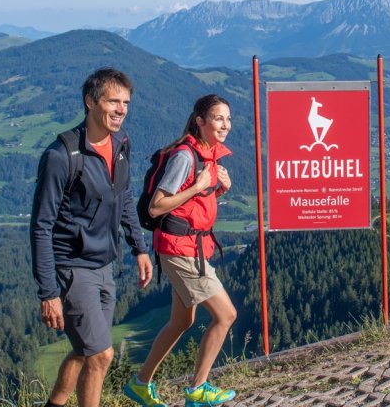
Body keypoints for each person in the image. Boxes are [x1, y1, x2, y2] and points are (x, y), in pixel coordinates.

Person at [30, 67, 153, 407]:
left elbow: (123, 195)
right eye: (113, 101)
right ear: (90, 102)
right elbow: (40, 226)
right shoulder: (61, 156)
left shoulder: (121, 144)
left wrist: (139, 247)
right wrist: (48, 292)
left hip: (104, 265)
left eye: (126, 102)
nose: (121, 109)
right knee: (101, 354)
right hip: (72, 268)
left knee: (85, 352)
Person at [124, 94, 237, 407]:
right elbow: (157, 206)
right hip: (181, 250)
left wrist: (215, 189)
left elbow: (192, 203)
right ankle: (198, 389)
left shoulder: (207, 154)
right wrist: (200, 187)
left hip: (189, 247)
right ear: (200, 121)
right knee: (226, 315)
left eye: (228, 119)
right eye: (218, 118)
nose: (225, 125)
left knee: (181, 321)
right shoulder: (185, 157)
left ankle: (140, 384)